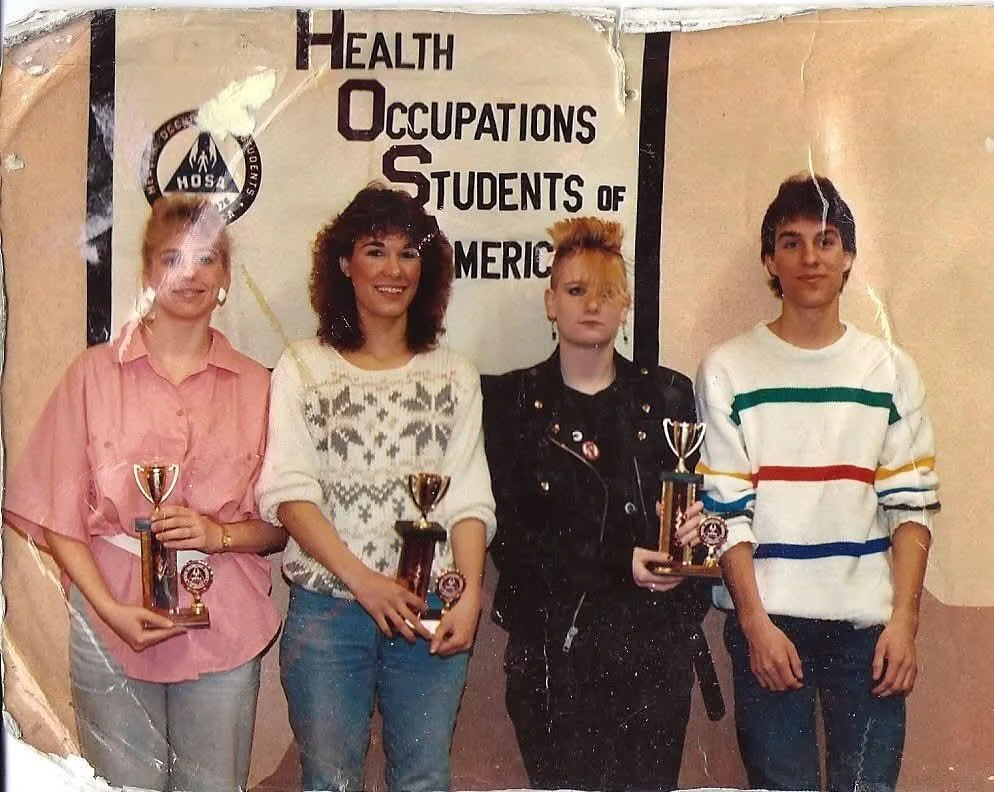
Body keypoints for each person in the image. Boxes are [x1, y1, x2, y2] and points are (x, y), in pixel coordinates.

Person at [3, 193, 285, 792]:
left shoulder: (263, 387)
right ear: (146, 271)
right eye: (172, 257)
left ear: (226, 278)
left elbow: (280, 525)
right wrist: (108, 610)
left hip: (223, 622)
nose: (190, 274)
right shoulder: (91, 375)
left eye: (207, 259)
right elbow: (56, 515)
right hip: (110, 621)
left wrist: (218, 534)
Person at [696, 174, 940, 792]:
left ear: (849, 257)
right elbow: (726, 509)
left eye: (826, 241)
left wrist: (904, 622)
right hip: (771, 624)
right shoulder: (727, 369)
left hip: (868, 632)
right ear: (769, 261)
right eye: (792, 242)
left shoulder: (889, 369)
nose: (810, 257)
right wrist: (754, 623)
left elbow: (910, 508)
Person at [256, 183, 496, 792]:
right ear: (344, 264)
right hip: (330, 610)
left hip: (430, 611)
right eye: (375, 250)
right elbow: (289, 493)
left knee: (423, 778)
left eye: (408, 253)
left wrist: (467, 595)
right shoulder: (303, 367)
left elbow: (469, 500)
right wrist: (364, 583)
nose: (393, 269)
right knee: (330, 780)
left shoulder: (455, 375)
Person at [482, 217, 720, 792]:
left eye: (607, 292)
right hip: (553, 655)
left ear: (626, 305)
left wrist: (693, 532)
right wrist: (619, 561)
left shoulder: (668, 394)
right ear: (550, 303)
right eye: (575, 290)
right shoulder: (512, 401)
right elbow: (510, 540)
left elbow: (693, 504)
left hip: (653, 654)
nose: (592, 305)